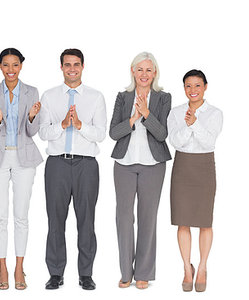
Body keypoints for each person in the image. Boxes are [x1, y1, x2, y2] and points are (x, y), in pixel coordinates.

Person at [39, 48, 107, 290]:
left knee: (86, 220)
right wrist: (62, 124)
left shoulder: (95, 97)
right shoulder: (49, 96)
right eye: (67, 64)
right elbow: (43, 132)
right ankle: (56, 273)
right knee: (55, 220)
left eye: (76, 64)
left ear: (83, 66)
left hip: (86, 165)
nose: (72, 69)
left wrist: (78, 125)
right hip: (57, 163)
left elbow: (100, 134)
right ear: (61, 67)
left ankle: (86, 274)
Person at [0, 48, 42, 290]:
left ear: (21, 66)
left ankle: (19, 267)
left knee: (21, 215)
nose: (10, 70)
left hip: (24, 157)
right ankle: (2, 267)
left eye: (15, 65)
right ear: (0, 67)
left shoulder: (31, 92)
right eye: (6, 65)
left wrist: (31, 116)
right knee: (0, 215)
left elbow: (33, 131)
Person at [109, 52, 171, 290]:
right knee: (123, 218)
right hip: (124, 164)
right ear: (132, 71)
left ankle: (143, 273)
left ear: (154, 72)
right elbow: (114, 133)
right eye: (140, 69)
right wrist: (132, 119)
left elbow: (162, 134)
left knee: (148, 218)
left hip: (153, 165)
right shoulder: (123, 97)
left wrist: (146, 114)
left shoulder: (163, 98)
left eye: (149, 70)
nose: (144, 74)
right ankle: (126, 272)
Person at [168, 69, 223, 292]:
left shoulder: (215, 113)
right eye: (188, 86)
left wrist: (193, 123)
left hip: (204, 166)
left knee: (204, 221)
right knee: (182, 220)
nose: (193, 90)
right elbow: (175, 142)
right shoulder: (175, 112)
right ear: (184, 88)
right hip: (182, 166)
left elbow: (209, 142)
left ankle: (202, 268)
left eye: (197, 85)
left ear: (205, 87)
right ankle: (186, 268)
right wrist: (189, 126)